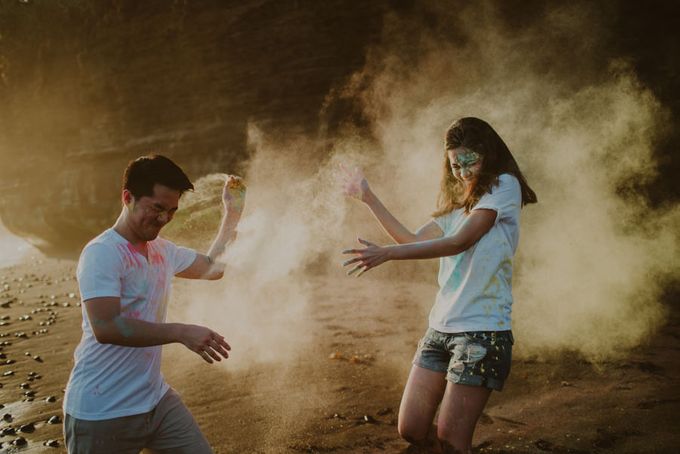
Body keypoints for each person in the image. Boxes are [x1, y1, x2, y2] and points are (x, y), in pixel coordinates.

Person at [341, 117, 537, 454]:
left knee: (451, 439)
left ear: (487, 154)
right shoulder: (459, 203)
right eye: (455, 164)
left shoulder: (503, 186)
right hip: (440, 329)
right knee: (412, 428)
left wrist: (388, 254)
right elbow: (411, 239)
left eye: (469, 160)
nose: (462, 171)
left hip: (482, 332)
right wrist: (369, 198)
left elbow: (459, 242)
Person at [63, 154, 245, 454]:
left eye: (172, 211)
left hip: (156, 402)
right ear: (128, 197)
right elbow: (106, 326)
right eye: (157, 208)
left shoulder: (163, 250)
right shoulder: (102, 253)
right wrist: (180, 332)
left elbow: (214, 268)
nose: (163, 219)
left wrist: (232, 214)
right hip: (101, 411)